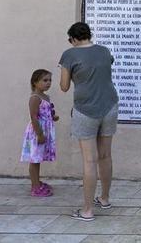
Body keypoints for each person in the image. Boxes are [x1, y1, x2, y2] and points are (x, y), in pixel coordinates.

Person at [59, 22, 119, 222]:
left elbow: (64, 86)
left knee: (89, 160)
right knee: (106, 155)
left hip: (85, 110)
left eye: (70, 40)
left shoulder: (69, 55)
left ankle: (86, 210)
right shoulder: (104, 51)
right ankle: (104, 198)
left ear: (74, 39)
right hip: (109, 106)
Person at [20, 69, 59, 197]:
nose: (48, 83)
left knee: (39, 159)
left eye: (50, 80)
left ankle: (37, 181)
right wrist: (40, 134)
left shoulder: (45, 97)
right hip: (37, 132)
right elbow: (34, 117)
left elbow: (45, 113)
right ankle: (35, 187)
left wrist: (52, 117)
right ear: (35, 82)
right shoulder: (35, 98)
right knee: (34, 160)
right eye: (44, 80)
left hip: (45, 131)